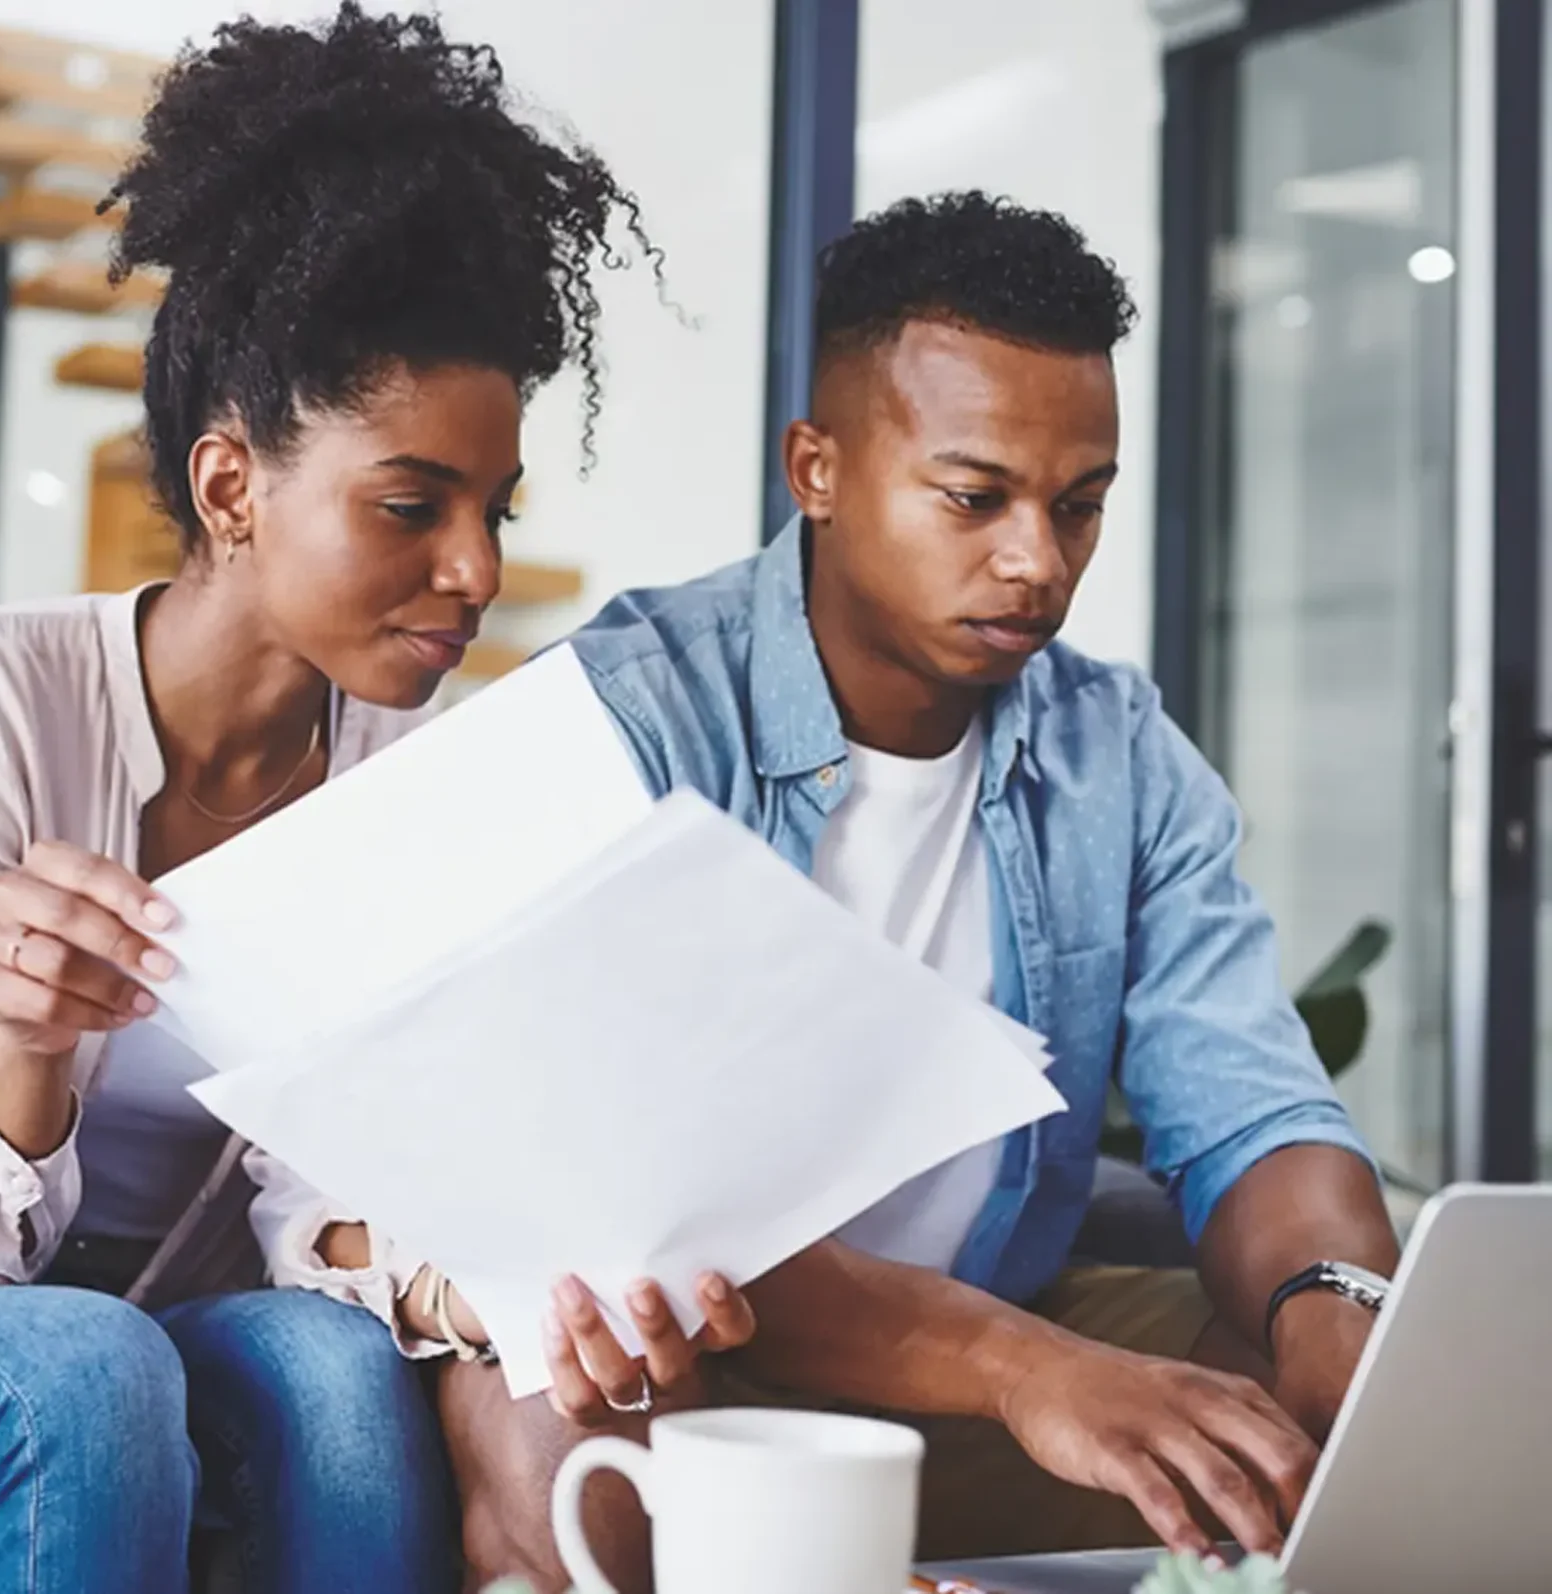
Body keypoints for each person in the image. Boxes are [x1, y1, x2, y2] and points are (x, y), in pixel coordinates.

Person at [0, 10, 750, 1593]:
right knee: (86, 1373)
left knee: (341, 1387)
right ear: (230, 487)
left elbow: (317, 1202)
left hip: (157, 1308)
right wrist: (31, 1049)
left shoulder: (405, 780)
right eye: (412, 505)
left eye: (493, 511)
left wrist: (464, 1290)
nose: (476, 570)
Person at [411, 192, 1405, 1589]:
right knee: (545, 1400)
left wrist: (1333, 1307)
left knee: (1329, 1412)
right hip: (701, 1364)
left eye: (1080, 505)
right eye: (975, 495)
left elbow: (1254, 1112)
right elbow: (630, 1219)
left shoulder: (1116, 754)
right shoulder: (626, 724)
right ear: (815, 466)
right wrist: (1024, 1370)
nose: (1038, 561)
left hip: (991, 1346)